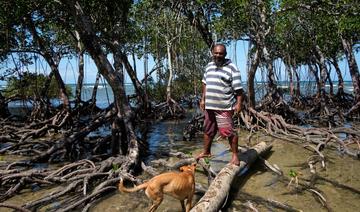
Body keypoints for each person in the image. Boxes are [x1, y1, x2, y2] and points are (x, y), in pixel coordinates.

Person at [196, 43, 244, 166]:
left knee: (229, 131)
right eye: (216, 53)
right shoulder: (209, 66)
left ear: (225, 54)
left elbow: (239, 90)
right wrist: (203, 99)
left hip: (224, 106)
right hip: (210, 106)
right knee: (208, 130)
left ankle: (234, 156)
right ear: (212, 53)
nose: (218, 55)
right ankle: (206, 152)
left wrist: (239, 104)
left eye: (220, 53)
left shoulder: (232, 68)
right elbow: (205, 83)